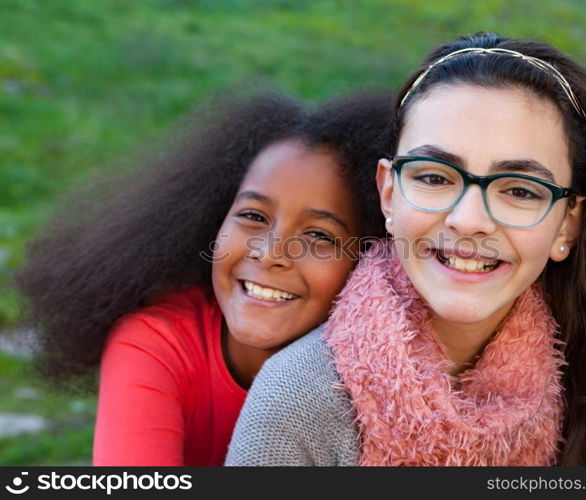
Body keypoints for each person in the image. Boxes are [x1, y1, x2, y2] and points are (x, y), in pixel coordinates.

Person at [226, 32, 586, 466]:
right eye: (434, 177)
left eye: (520, 190)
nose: (468, 220)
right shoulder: (299, 401)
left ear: (567, 224)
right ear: (389, 194)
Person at [16, 90, 395, 465]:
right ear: (214, 219)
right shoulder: (157, 344)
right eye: (253, 216)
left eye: (318, 236)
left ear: (372, 256)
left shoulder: (388, 373)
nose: (270, 253)